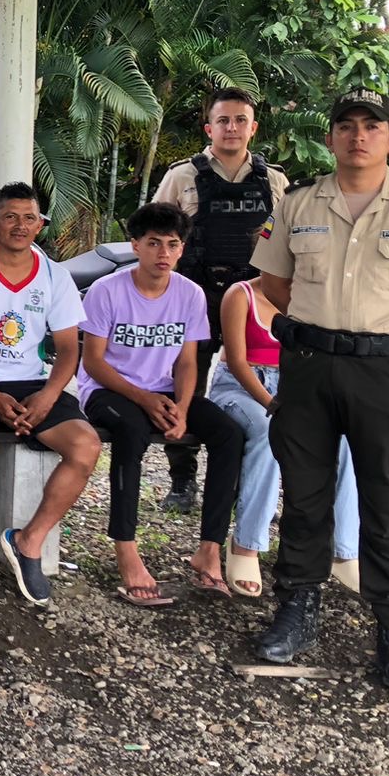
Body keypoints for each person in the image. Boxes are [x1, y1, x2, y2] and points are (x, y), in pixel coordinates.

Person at [251, 88, 389, 693]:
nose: (358, 136)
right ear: (330, 137)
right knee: (304, 497)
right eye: (346, 125)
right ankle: (296, 610)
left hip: (386, 373)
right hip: (310, 366)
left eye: (372, 126)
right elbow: (274, 282)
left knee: (386, 503)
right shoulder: (298, 201)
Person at [78, 203, 244, 608]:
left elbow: (187, 362)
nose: (163, 253)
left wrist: (183, 407)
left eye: (172, 244)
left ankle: (209, 549)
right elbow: (93, 362)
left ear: (182, 249)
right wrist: (143, 398)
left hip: (165, 389)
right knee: (131, 430)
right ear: (135, 245)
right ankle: (127, 550)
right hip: (107, 389)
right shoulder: (107, 291)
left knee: (229, 434)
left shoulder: (190, 294)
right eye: (153, 243)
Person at [0, 182, 102, 606]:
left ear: (40, 225)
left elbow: (69, 350)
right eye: (9, 217)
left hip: (33, 383)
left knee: (86, 446)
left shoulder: (55, 276)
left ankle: (28, 540)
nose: (19, 225)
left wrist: (49, 395)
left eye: (29, 218)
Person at [152, 88, 288, 514]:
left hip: (255, 302)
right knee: (184, 384)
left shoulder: (273, 181)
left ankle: (243, 481)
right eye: (223, 120)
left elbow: (288, 242)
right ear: (209, 128)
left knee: (253, 387)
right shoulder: (181, 177)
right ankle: (182, 478)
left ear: (253, 127)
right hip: (196, 295)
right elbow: (156, 234)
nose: (232, 128)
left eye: (240, 120)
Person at [208, 277, 362, 597]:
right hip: (241, 388)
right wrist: (273, 406)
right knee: (269, 433)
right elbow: (236, 362)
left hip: (293, 389)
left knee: (346, 437)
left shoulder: (310, 297)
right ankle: (246, 544)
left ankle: (344, 549)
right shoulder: (241, 294)